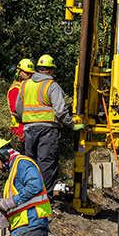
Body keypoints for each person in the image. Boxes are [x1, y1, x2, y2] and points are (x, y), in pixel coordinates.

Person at [16, 55, 82, 197]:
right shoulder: (52, 86)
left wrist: (28, 120)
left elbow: (18, 108)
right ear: (51, 71)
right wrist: (71, 125)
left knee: (30, 163)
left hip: (29, 130)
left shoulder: (25, 85)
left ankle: (30, 196)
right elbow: (60, 111)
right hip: (47, 130)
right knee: (47, 164)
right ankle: (44, 198)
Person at [8, 59, 35, 143]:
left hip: (25, 130)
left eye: (31, 74)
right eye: (26, 73)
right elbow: (15, 111)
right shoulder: (16, 89)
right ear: (19, 73)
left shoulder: (25, 88)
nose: (29, 76)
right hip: (18, 131)